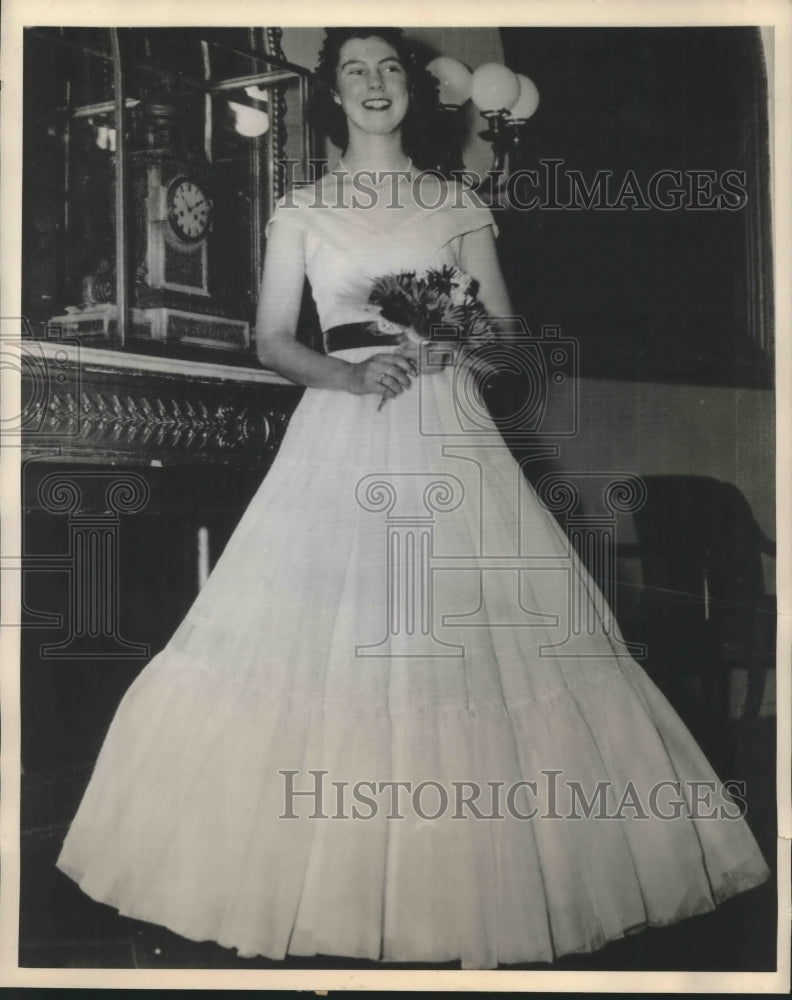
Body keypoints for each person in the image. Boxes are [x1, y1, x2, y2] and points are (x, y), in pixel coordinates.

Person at [57, 27, 769, 970]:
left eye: (389, 67)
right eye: (353, 70)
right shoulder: (301, 209)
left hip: (449, 430)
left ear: (410, 89)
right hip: (345, 427)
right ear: (332, 98)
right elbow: (271, 339)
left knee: (470, 650)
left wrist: (453, 341)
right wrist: (351, 379)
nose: (374, 83)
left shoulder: (458, 204)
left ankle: (467, 887)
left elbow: (508, 340)